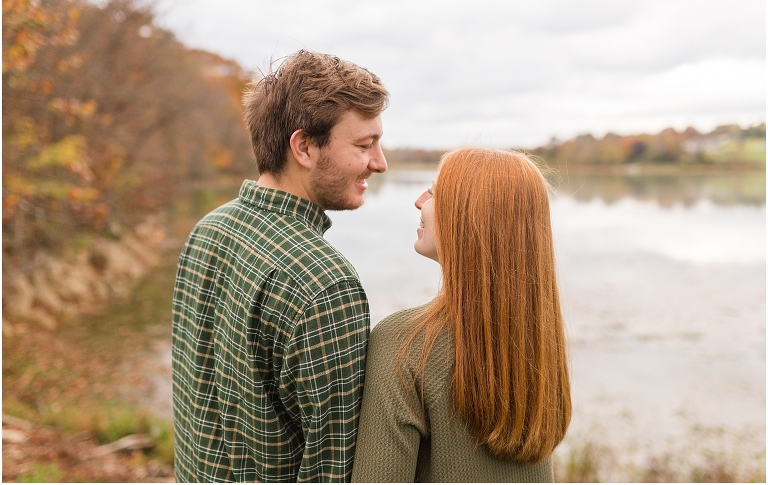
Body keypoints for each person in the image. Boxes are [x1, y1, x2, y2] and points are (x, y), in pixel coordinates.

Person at [171, 50, 389, 482]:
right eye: (364, 145)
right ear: (304, 147)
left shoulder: (208, 229)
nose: (380, 163)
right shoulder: (326, 284)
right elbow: (333, 473)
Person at [352, 147, 572, 482]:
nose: (418, 200)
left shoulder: (404, 343)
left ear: (470, 217)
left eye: (435, 192)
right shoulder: (540, 346)